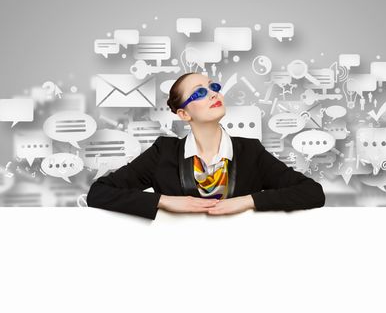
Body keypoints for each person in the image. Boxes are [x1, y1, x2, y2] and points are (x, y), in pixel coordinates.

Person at [86, 72, 325, 219]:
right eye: (200, 92)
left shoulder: (250, 152)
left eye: (214, 87)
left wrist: (247, 201)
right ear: (184, 114)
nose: (213, 94)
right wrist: (165, 201)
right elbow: (99, 193)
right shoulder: (163, 152)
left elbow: (312, 193)